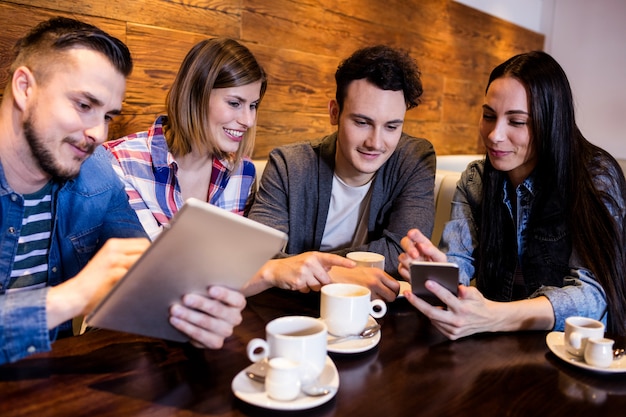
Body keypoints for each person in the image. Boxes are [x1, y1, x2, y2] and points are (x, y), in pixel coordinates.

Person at [0, 17, 245, 364]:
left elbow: (146, 276)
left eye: (108, 116)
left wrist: (192, 316)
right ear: (25, 87)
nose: (99, 133)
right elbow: (81, 294)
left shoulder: (97, 171)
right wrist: (71, 298)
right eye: (84, 106)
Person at [398, 51, 626, 339]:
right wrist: (435, 273)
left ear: (550, 122)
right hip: (496, 344)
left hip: (574, 349)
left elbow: (594, 297)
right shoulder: (476, 180)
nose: (494, 135)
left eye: (516, 121)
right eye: (489, 116)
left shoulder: (594, 178)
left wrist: (494, 316)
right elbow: (458, 264)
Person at [245, 45, 436, 301]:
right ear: (335, 113)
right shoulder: (289, 165)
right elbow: (256, 256)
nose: (375, 142)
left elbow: (400, 254)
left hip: (374, 317)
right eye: (362, 122)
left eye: (391, 126)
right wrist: (339, 275)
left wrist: (311, 268)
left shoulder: (414, 159)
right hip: (293, 311)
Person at [103, 38, 266, 240]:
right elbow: (139, 260)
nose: (248, 121)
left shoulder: (243, 171)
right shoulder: (120, 162)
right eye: (234, 103)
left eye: (253, 106)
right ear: (195, 97)